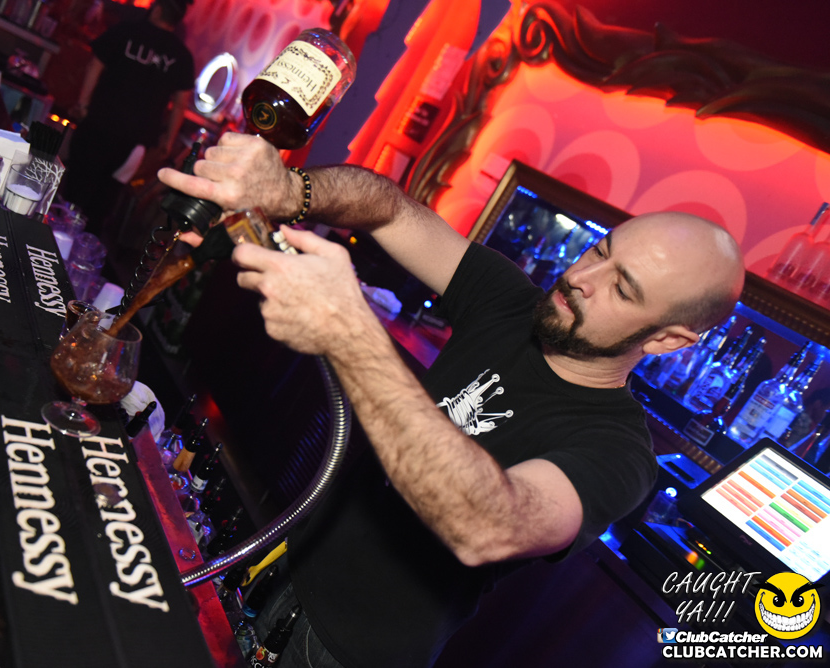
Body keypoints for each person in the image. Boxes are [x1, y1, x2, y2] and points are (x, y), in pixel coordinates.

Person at [159, 133, 745, 668]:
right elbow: (390, 208)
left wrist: (350, 334)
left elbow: (487, 524)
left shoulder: (618, 452)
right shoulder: (512, 303)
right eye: (600, 251)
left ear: (667, 340)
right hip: (285, 567)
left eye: (621, 288)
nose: (580, 278)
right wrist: (292, 190)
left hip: (347, 653)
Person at [63, 0, 195, 235]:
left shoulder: (126, 30)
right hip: (135, 143)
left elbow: (95, 65)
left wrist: (82, 104)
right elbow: (180, 105)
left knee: (74, 193)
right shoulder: (182, 56)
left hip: (98, 125)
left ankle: (54, 238)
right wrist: (167, 142)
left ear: (157, 9)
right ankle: (82, 247)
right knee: (103, 203)